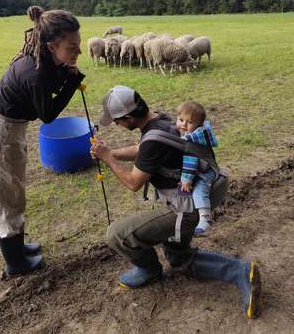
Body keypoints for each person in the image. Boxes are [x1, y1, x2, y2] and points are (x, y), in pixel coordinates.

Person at [90, 85, 262, 319]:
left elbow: (133, 183)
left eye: (118, 122)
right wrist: (112, 151)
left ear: (128, 118)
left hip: (184, 206)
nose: (118, 125)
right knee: (179, 258)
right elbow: (143, 150)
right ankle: (240, 271)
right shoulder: (163, 120)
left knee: (117, 234)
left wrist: (108, 159)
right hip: (199, 194)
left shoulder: (152, 138)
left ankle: (149, 270)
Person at [0, 6, 84, 276]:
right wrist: (71, 84)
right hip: (1, 132)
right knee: (8, 197)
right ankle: (15, 262)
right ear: (51, 46)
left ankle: (19, 248)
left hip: (9, 128)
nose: (78, 52)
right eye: (72, 47)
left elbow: (52, 80)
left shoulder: (42, 59)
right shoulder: (34, 72)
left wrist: (66, 74)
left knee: (15, 191)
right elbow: (47, 115)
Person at [176, 101, 218, 235]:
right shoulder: (196, 134)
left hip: (207, 172)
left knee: (199, 191)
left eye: (189, 122)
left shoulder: (192, 142)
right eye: (181, 120)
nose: (183, 124)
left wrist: (186, 180)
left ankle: (206, 218)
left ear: (198, 125)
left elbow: (191, 161)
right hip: (202, 166)